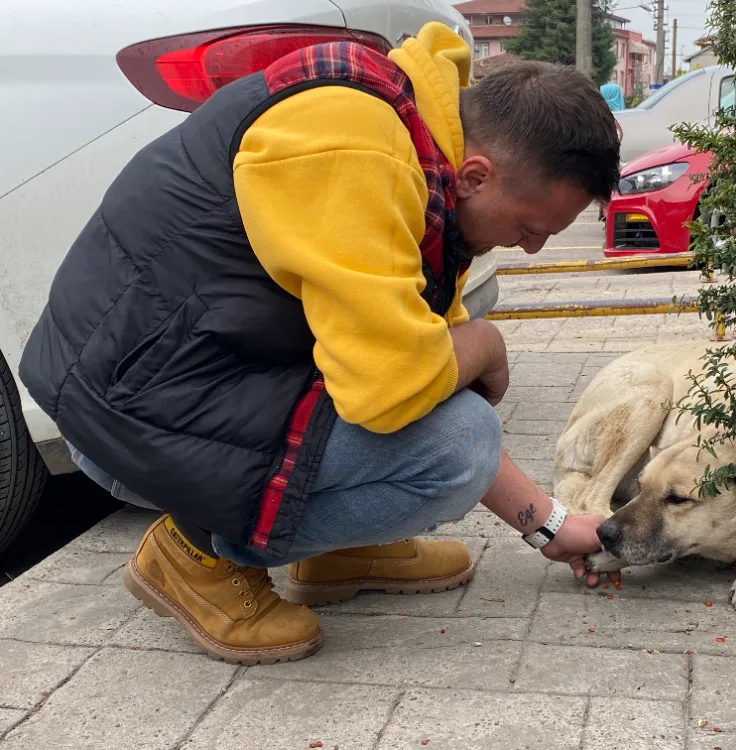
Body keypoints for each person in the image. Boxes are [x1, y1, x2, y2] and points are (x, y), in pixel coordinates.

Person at [18, 22, 622, 665]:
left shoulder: (421, 154)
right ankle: (195, 553)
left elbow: (414, 366)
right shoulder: (357, 146)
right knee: (458, 441)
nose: (532, 247)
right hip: (123, 409)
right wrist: (486, 343)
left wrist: (551, 526)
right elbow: (395, 388)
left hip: (181, 377)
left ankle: (339, 552)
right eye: (531, 227)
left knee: (449, 409)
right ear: (476, 176)